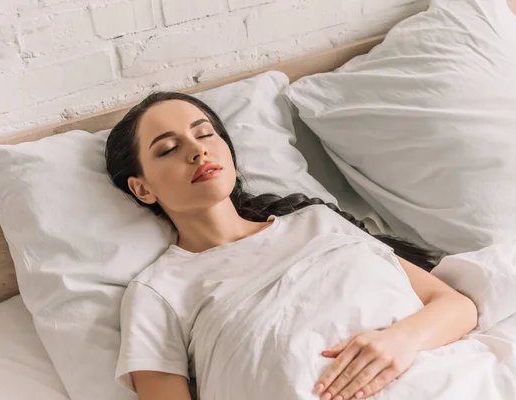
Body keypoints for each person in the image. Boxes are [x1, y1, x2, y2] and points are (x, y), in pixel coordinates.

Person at [105, 92, 478, 400]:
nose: (197, 151)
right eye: (168, 148)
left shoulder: (317, 222)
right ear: (142, 188)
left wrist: (400, 341)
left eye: (205, 134)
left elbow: (456, 306)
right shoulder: (158, 291)